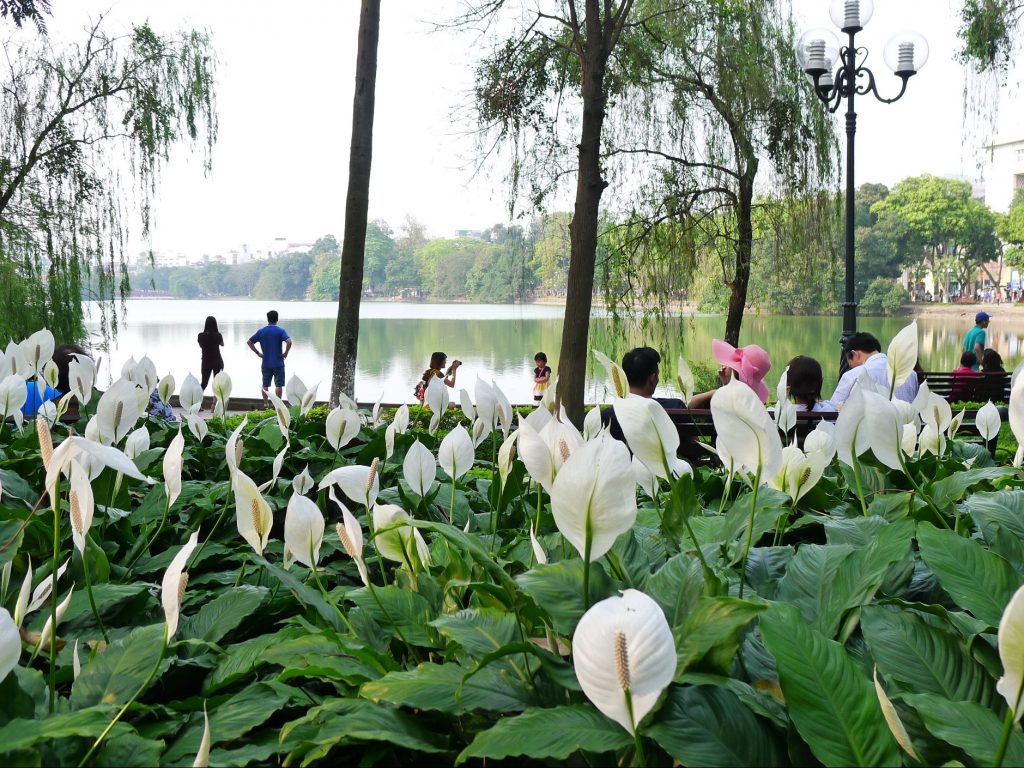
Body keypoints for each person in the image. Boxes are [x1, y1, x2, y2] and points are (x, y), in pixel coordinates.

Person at [831, 332, 919, 408]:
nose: (852, 367)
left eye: (850, 364)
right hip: (906, 426)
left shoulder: (854, 374)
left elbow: (834, 407)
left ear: (855, 354)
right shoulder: (911, 374)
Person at [687, 340, 772, 408]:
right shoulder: (749, 403)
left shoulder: (725, 399)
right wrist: (726, 384)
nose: (724, 366)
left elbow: (688, 406)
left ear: (736, 371)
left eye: (729, 364)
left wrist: (714, 392)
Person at [247, 310, 292, 408]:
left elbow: (249, 342)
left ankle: (266, 404)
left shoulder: (261, 331)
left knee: (265, 384)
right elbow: (289, 342)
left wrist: (258, 353)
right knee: (278, 385)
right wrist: (285, 353)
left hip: (266, 363)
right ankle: (278, 404)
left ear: (268, 319)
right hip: (278, 362)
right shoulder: (281, 331)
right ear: (277, 319)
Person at [197, 315, 225, 391]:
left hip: (206, 362)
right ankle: (214, 402)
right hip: (217, 361)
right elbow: (222, 344)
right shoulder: (218, 335)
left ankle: (196, 399)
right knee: (217, 384)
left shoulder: (201, 336)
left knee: (204, 383)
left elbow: (200, 346)